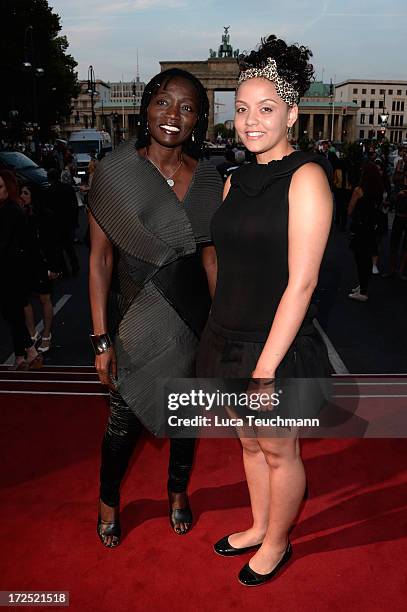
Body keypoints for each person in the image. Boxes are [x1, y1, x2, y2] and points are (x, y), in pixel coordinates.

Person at [196, 34, 333, 586]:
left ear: (292, 114)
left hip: (274, 348)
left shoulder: (307, 177)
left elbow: (301, 284)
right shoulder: (233, 179)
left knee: (280, 451)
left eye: (267, 109)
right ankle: (257, 524)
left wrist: (265, 368)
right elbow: (226, 264)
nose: (251, 120)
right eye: (243, 109)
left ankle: (277, 542)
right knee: (248, 442)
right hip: (226, 334)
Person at [88, 68, 223, 547]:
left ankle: (177, 492)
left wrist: (220, 326)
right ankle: (108, 500)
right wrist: (101, 338)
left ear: (198, 120)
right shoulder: (114, 172)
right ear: (146, 106)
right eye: (164, 102)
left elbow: (210, 256)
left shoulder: (207, 178)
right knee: (122, 425)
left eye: (187, 108)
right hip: (136, 318)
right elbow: (101, 259)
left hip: (192, 318)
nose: (173, 115)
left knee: (186, 417)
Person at [0, 170, 42, 369]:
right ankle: (20, 356)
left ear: (9, 187)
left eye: (0, 187)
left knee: (12, 313)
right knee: (13, 312)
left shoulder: (9, 210)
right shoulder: (9, 208)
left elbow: (4, 242)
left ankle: (29, 350)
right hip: (14, 270)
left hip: (12, 271)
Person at [19, 182, 61, 353]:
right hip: (25, 265)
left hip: (43, 265)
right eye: (21, 193)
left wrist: (54, 266)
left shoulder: (45, 216)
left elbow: (54, 244)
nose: (22, 196)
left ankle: (46, 335)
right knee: (24, 300)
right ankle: (31, 333)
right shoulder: (20, 215)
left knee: (45, 299)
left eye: (26, 193)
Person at [348, 161, 384, 301]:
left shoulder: (359, 190)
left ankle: (363, 291)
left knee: (359, 258)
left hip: (360, 226)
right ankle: (363, 285)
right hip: (372, 226)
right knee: (367, 257)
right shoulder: (379, 190)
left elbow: (350, 210)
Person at [46, 168, 80, 277]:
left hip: (55, 223)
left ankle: (64, 270)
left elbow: (48, 209)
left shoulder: (49, 192)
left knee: (59, 249)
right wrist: (74, 220)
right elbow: (74, 205)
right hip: (67, 221)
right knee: (69, 246)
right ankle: (75, 265)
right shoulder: (68, 188)